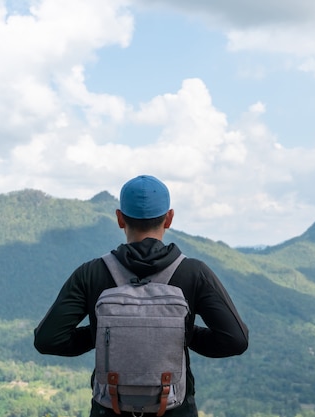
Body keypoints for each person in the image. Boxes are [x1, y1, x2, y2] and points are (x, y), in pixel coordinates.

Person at [34, 175, 249, 417]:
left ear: (119, 218)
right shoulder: (194, 273)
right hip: (175, 409)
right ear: (169, 219)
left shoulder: (91, 273)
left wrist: (103, 332)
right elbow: (235, 340)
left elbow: (48, 339)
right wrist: (182, 333)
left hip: (109, 409)